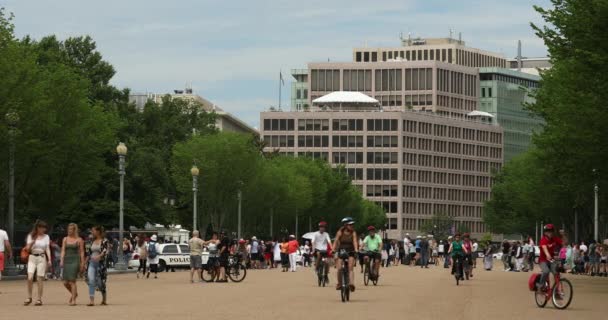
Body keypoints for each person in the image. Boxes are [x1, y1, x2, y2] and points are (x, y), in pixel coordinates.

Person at [24, 220, 51, 306]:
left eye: (44, 228)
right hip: (32, 256)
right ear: (37, 228)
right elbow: (27, 249)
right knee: (30, 277)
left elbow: (47, 248)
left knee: (39, 278)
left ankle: (39, 299)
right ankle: (29, 297)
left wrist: (49, 259)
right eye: (42, 227)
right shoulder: (31, 236)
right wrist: (32, 242)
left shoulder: (46, 236)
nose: (44, 229)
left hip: (41, 257)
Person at [60, 223, 85, 306]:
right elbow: (63, 250)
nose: (69, 231)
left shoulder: (79, 240)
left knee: (72, 281)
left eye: (71, 229)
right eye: (68, 229)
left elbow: (81, 252)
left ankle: (73, 299)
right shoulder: (65, 239)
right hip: (67, 260)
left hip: (75, 260)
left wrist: (82, 263)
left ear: (74, 230)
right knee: (65, 282)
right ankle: (75, 294)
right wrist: (62, 260)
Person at [332, 217, 359, 292]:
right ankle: (339, 283)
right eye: (350, 225)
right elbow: (336, 241)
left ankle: (351, 283)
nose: (352, 226)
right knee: (339, 268)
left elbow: (355, 242)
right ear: (345, 225)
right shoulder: (340, 232)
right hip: (342, 250)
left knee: (350, 267)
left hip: (351, 250)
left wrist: (356, 250)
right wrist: (333, 250)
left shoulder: (353, 232)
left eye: (352, 225)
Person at [85, 226, 108, 306]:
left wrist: (99, 256)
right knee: (91, 280)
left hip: (100, 264)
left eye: (93, 231)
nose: (92, 232)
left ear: (98, 232)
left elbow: (105, 251)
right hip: (91, 263)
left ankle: (104, 299)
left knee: (100, 282)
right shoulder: (91, 241)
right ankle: (92, 301)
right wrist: (85, 262)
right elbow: (88, 253)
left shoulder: (104, 241)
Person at [537, 224, 562, 291]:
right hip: (543, 260)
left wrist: (563, 234)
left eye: (551, 231)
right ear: (545, 232)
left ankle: (556, 291)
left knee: (556, 272)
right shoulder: (543, 240)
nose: (550, 233)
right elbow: (545, 249)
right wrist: (548, 255)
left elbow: (564, 243)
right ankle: (540, 286)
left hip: (551, 260)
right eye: (548, 231)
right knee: (546, 271)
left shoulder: (555, 239)